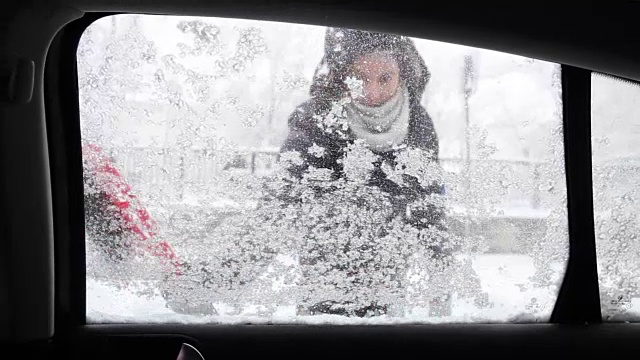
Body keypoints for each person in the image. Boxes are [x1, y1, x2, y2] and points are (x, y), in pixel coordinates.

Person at [278, 27, 451, 317]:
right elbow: (279, 203)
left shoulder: (418, 125)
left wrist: (440, 285)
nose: (372, 93)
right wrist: (223, 278)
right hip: (323, 283)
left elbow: (429, 210)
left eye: (385, 78)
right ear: (342, 76)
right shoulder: (316, 119)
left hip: (388, 285)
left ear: (402, 74)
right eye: (359, 78)